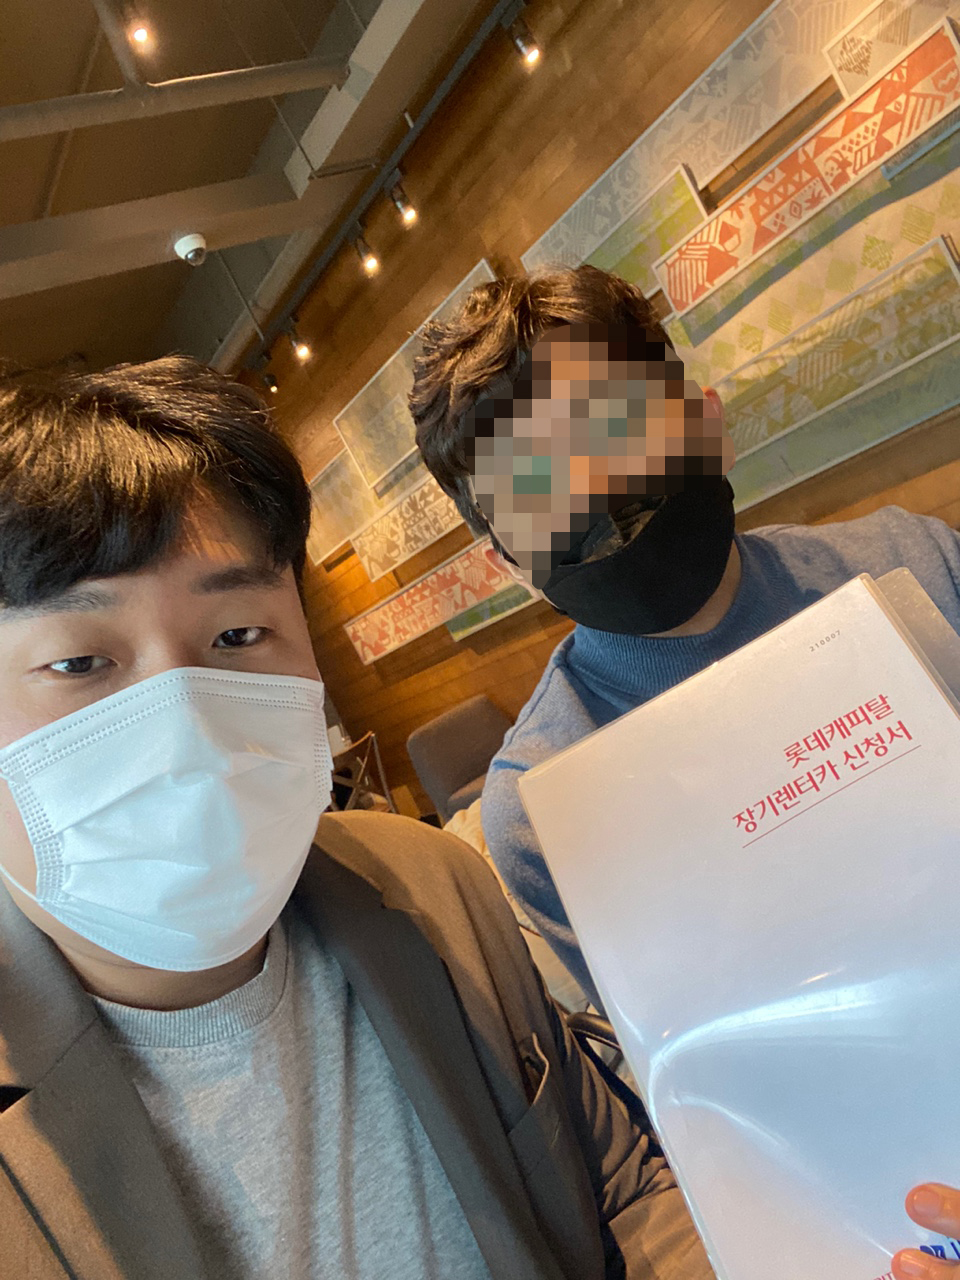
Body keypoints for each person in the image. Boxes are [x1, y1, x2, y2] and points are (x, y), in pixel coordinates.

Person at [0, 355, 726, 1280]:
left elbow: (621, 1193)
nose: (189, 721)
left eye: (237, 635)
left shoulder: (437, 888)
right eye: (79, 661)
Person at [410, 264, 960, 1014]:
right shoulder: (544, 810)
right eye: (537, 493)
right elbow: (688, 1045)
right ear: (506, 562)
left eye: (618, 430)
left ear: (709, 424)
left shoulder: (917, 567)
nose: (601, 495)